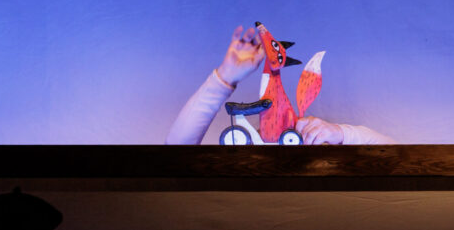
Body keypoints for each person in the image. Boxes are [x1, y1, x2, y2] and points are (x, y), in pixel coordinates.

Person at [166, 25, 395, 145]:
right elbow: (175, 154)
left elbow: (395, 150)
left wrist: (340, 133)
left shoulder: (313, 141)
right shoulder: (246, 151)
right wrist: (223, 78)